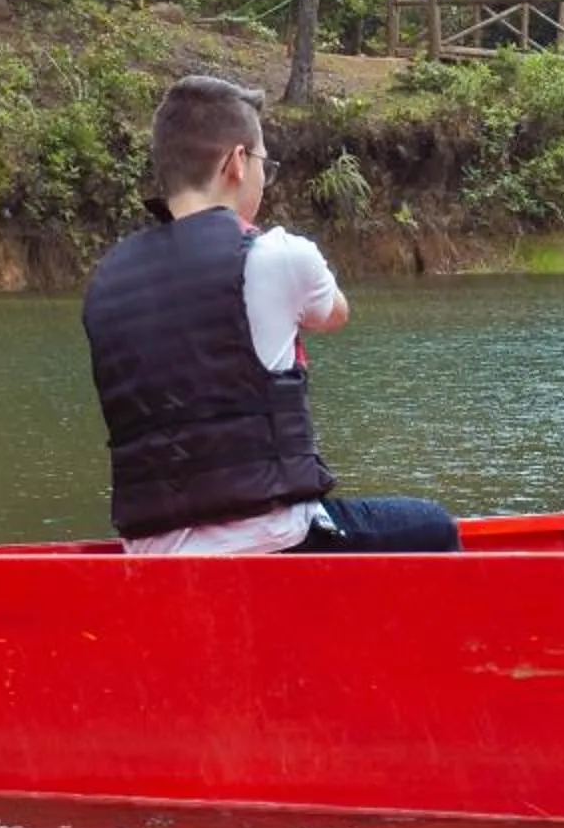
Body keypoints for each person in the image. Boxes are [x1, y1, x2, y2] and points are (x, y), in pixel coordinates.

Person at [80, 74, 460, 555]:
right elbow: (335, 313)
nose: (264, 177)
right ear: (237, 162)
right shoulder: (276, 255)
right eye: (264, 163)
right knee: (433, 526)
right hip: (273, 543)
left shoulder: (106, 283)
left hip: (152, 554)